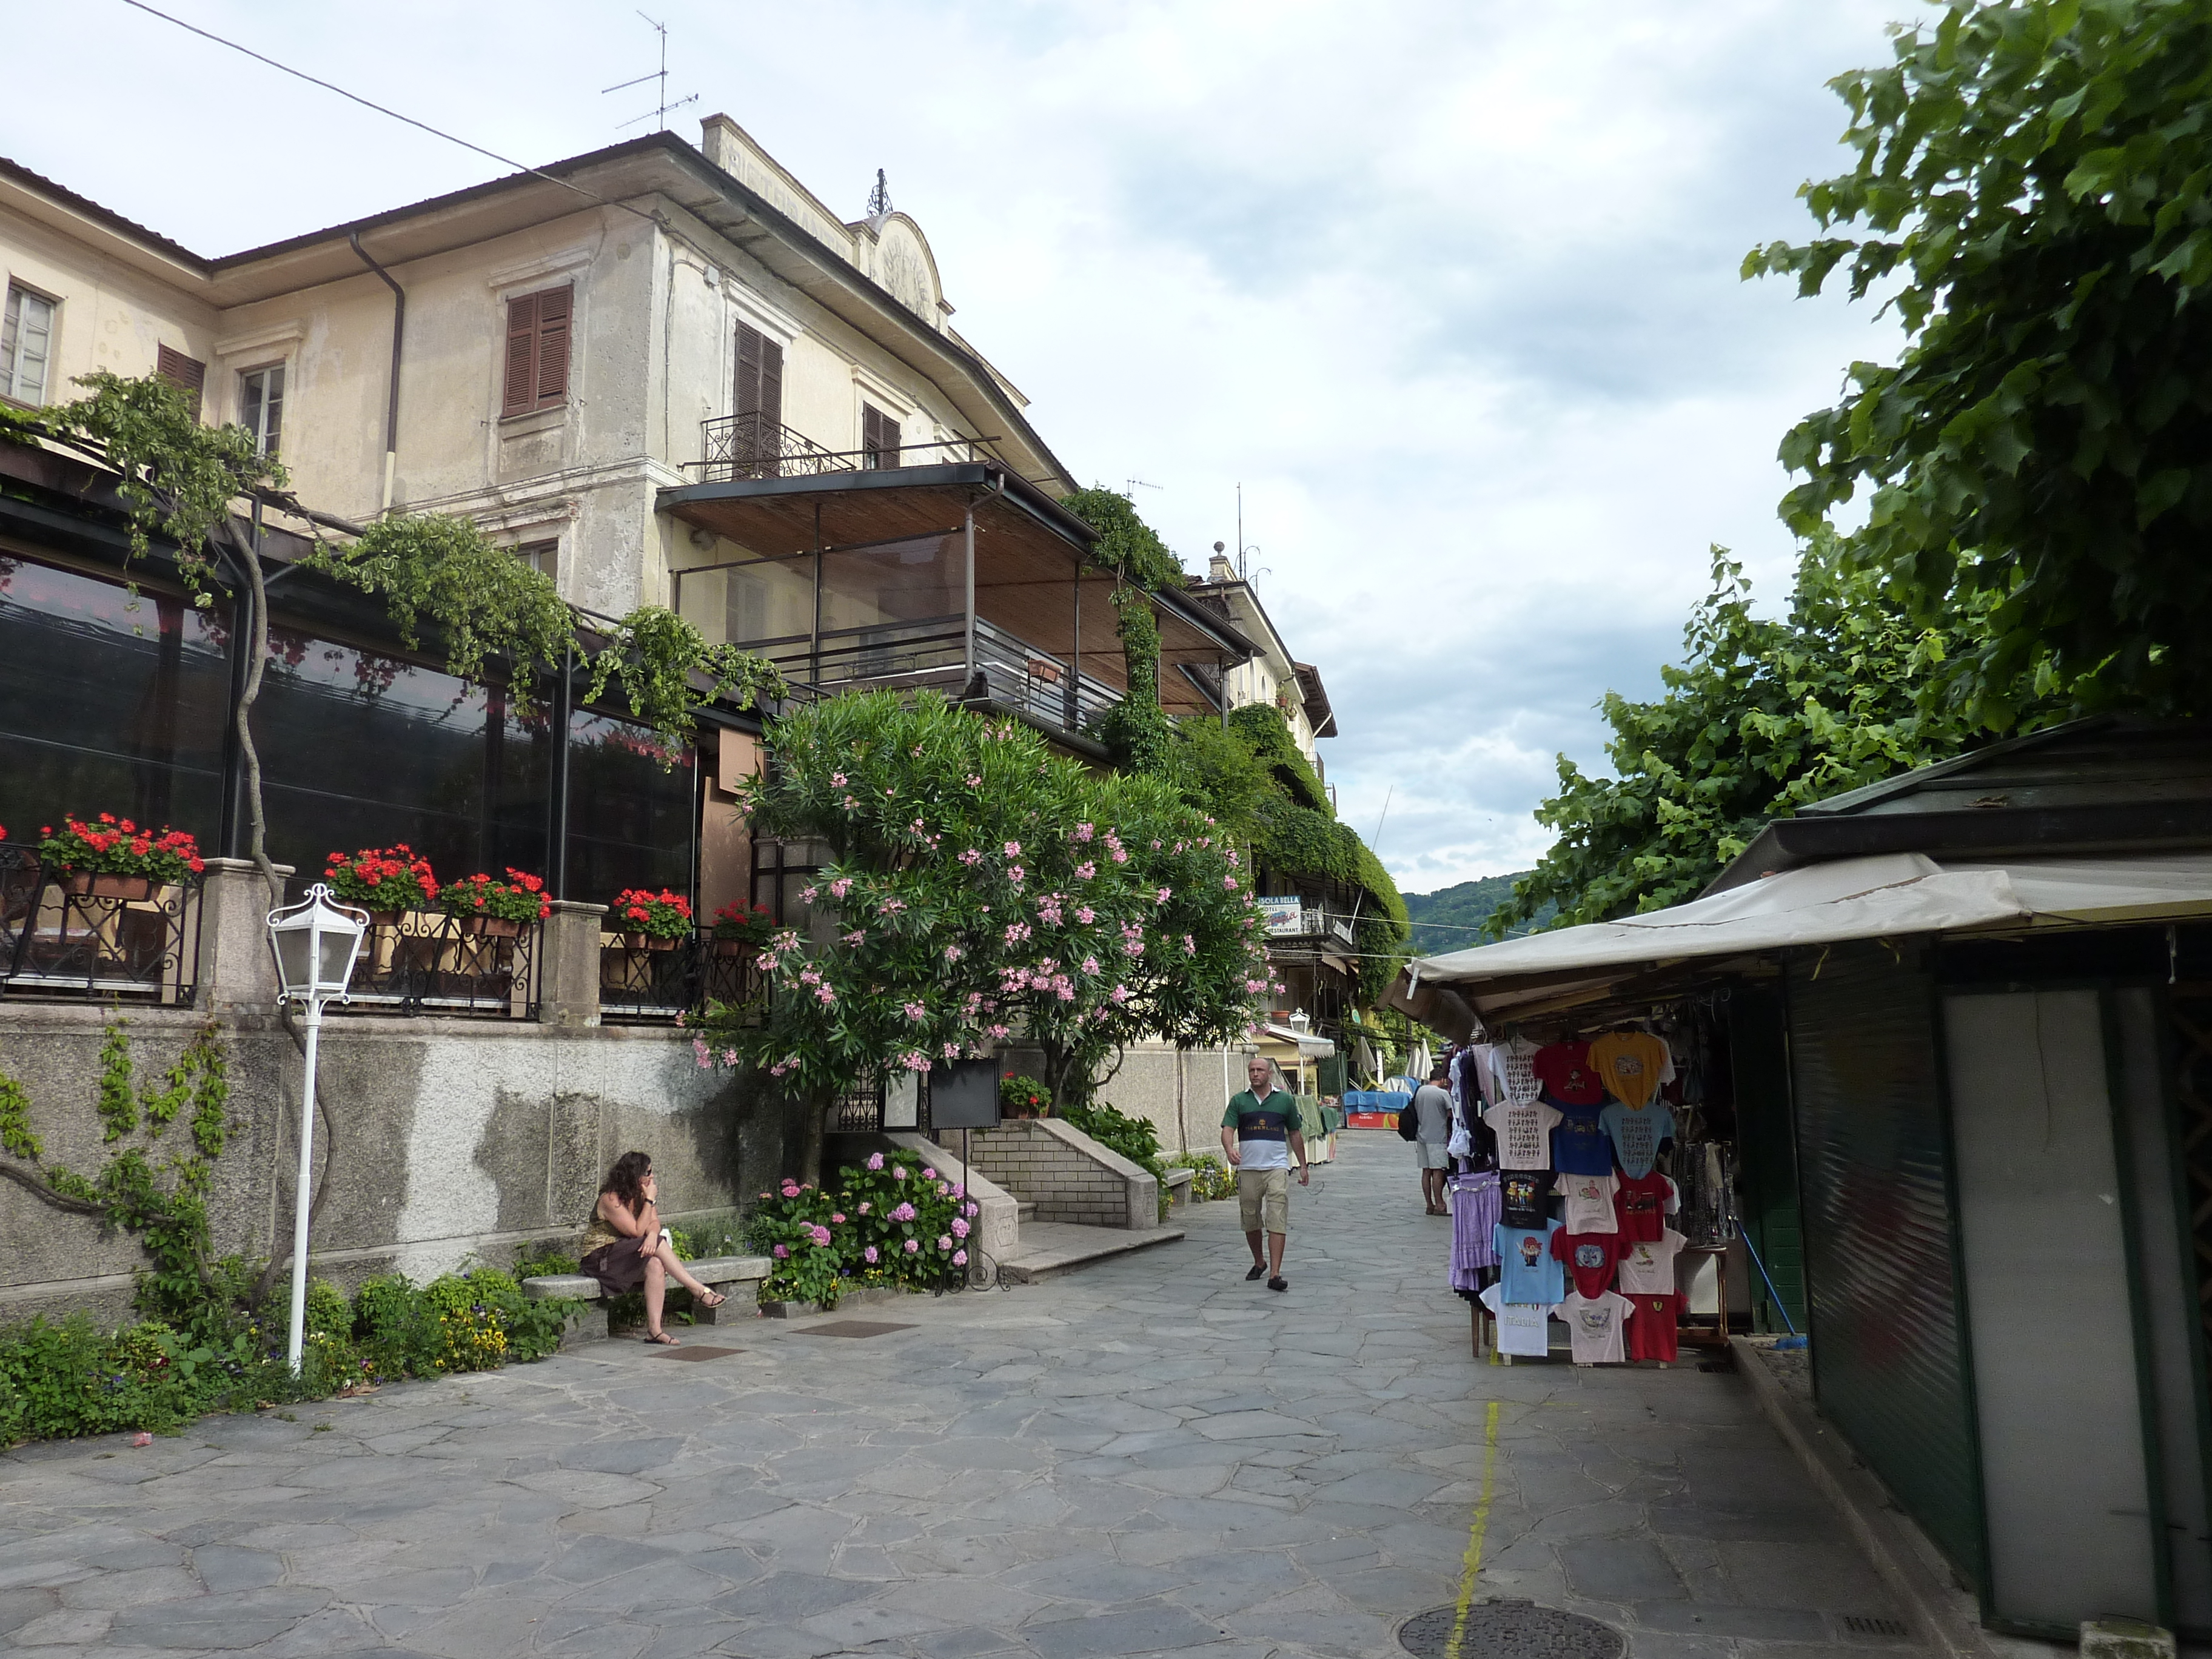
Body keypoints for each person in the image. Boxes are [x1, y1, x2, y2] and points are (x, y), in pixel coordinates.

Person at [580, 1151, 726, 1345]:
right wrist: (649, 1203)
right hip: (600, 1259)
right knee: (656, 1245)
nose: (652, 1176)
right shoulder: (610, 1199)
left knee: (656, 1264)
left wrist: (652, 1236)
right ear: (635, 1175)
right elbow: (636, 1231)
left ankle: (655, 1331)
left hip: (625, 1253)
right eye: (648, 1172)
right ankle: (698, 1290)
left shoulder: (642, 1195)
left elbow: (655, 1223)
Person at [1220, 1055, 1310, 1292]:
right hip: (1249, 1169)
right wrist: (1230, 1150)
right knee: (1250, 1218)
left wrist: (1302, 1164)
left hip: (1277, 1168)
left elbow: (1295, 1133)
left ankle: (1275, 1274)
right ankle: (1259, 1261)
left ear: (1269, 1073)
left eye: (1260, 1070)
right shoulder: (1240, 1101)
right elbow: (1227, 1129)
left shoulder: (1284, 1101)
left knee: (1276, 1217)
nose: (1256, 1074)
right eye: (1252, 1070)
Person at [1412, 1062, 1455, 1215]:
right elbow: (1451, 1114)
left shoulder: (1420, 1091)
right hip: (1437, 1137)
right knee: (1438, 1171)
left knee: (1426, 1171)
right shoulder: (1442, 1094)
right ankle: (1440, 1204)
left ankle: (1429, 1205)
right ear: (1442, 1079)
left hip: (1422, 1135)